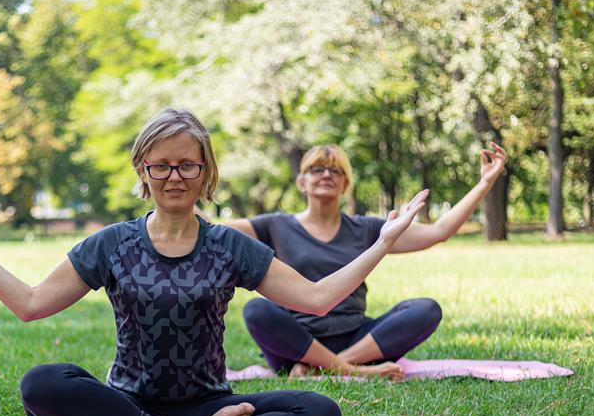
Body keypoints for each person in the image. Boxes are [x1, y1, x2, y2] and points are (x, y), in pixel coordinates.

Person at [0, 109, 427, 416]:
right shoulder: (112, 244)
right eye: (161, 165)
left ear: (205, 173)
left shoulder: (229, 246)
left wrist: (382, 243)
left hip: (210, 406)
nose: (174, 176)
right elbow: (30, 305)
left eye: (188, 164)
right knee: (43, 383)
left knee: (320, 412)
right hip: (130, 408)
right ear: (143, 170)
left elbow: (316, 299)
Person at [209, 143, 507, 381]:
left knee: (425, 309)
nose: (326, 174)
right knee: (257, 309)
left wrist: (484, 183)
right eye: (317, 169)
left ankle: (334, 366)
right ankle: (347, 369)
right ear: (301, 181)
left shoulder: (365, 228)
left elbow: (438, 232)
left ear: (345, 184)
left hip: (357, 339)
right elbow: (214, 231)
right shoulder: (273, 225)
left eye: (335, 171)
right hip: (296, 344)